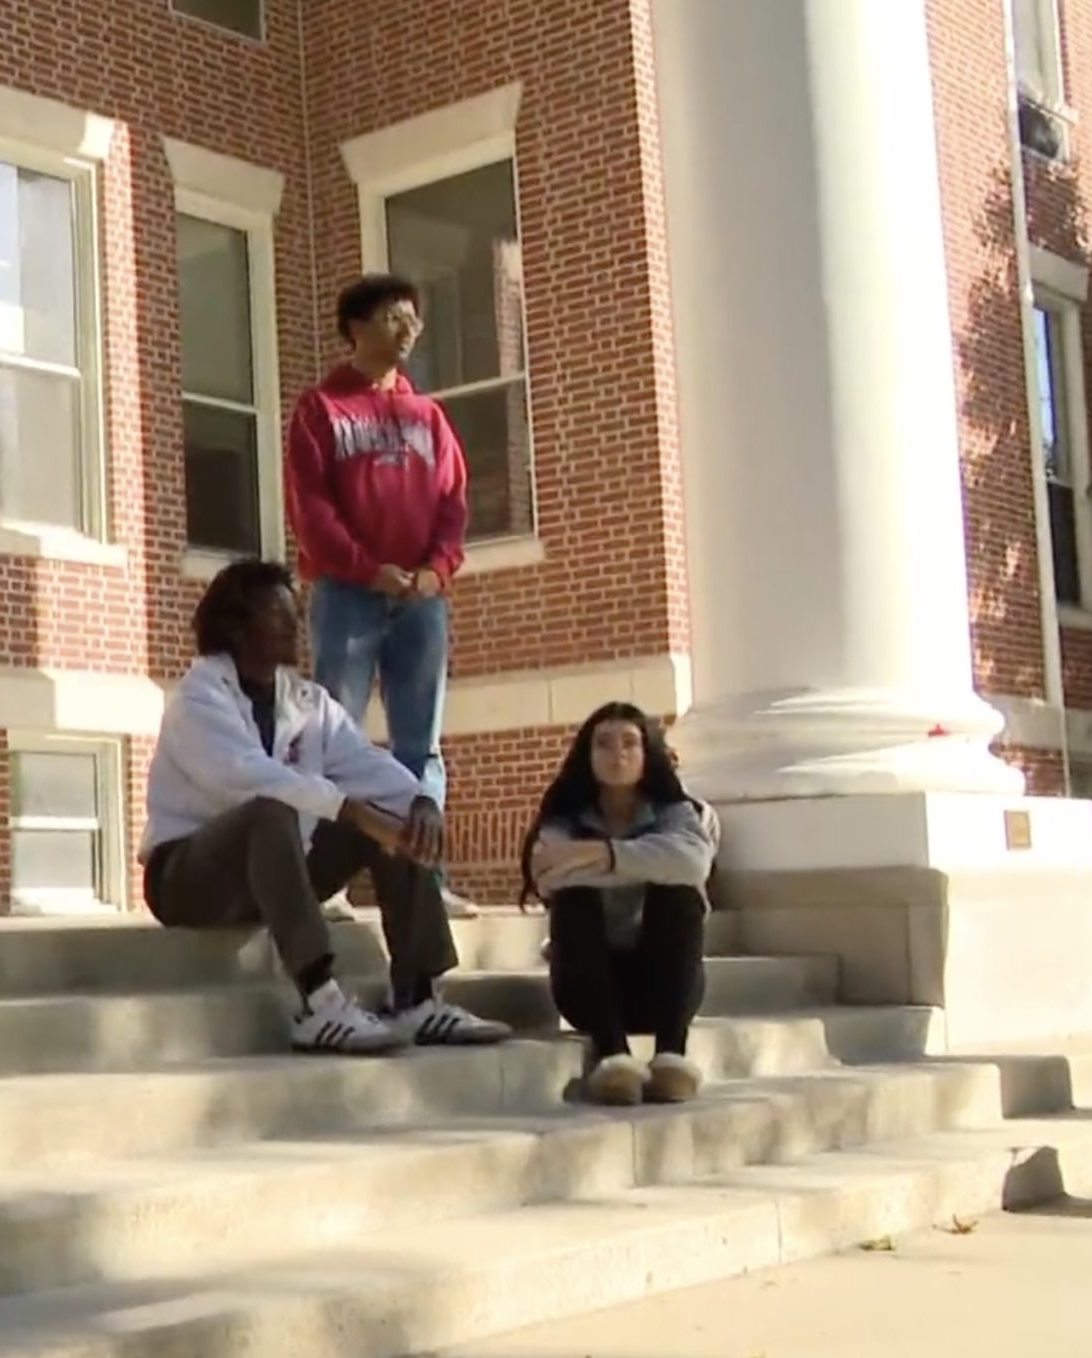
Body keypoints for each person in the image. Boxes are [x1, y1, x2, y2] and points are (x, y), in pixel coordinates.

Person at [141, 559, 511, 1055]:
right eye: (278, 614)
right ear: (235, 626)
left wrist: (419, 800)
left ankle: (419, 998)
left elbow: (363, 762)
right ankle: (320, 1004)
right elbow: (243, 777)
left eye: (295, 613)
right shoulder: (198, 698)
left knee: (394, 822)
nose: (295, 626)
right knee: (270, 809)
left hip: (278, 867)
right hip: (189, 879)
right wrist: (351, 810)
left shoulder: (307, 701)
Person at [286, 273, 476, 919]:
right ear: (358, 327)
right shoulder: (321, 409)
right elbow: (312, 510)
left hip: (422, 598)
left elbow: (453, 503)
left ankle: (428, 878)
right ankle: (325, 877)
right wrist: (367, 570)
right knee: (330, 730)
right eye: (395, 317)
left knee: (419, 740)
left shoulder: (430, 417)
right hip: (347, 595)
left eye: (414, 319)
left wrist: (435, 570)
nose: (409, 330)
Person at [520, 702, 721, 1106]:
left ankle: (671, 1057)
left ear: (647, 754)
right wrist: (647, 861)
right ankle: (614, 1059)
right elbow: (551, 875)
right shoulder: (564, 817)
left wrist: (601, 854)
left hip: (666, 989)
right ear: (587, 755)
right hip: (588, 990)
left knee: (678, 895)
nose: (618, 754)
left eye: (630, 743)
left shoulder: (679, 811)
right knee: (574, 900)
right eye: (604, 744)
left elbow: (693, 864)